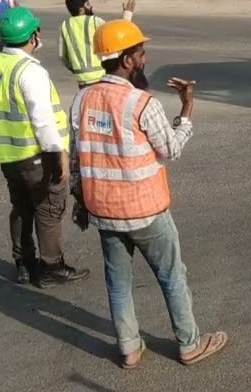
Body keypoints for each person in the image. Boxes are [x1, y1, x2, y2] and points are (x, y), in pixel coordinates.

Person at [69, 19, 228, 369]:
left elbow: (75, 158)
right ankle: (189, 343)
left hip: (104, 209)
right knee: (172, 274)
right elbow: (170, 149)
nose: (144, 59)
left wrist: (79, 201)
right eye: (141, 53)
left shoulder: (82, 99)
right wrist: (187, 107)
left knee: (118, 282)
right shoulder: (142, 103)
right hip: (145, 210)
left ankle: (128, 347)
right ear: (126, 60)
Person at [0, 7, 90, 288]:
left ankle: (24, 264)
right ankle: (52, 265)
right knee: (49, 209)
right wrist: (61, 158)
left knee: (21, 207)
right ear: (32, 35)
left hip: (8, 155)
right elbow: (43, 121)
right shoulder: (30, 71)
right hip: (37, 155)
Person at [59, 0, 137, 88]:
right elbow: (115, 38)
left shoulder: (65, 26)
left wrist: (77, 70)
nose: (91, 6)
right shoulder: (95, 21)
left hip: (82, 80)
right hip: (101, 77)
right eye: (88, 4)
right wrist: (127, 14)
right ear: (81, 9)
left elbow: (63, 56)